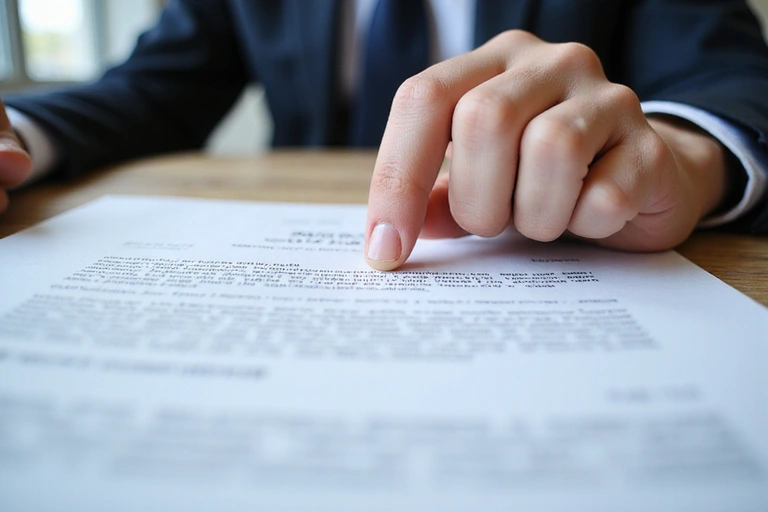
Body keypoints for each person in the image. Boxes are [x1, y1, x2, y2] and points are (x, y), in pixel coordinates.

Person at [1, 0, 767, 271]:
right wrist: (19, 132)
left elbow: (733, 78)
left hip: (566, 245)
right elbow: (152, 87)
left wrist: (683, 156)